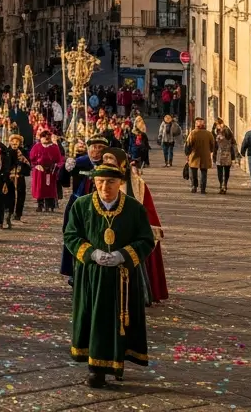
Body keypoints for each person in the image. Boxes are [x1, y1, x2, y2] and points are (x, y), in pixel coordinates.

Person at [63, 163, 156, 388]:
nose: (105, 186)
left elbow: (146, 240)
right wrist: (91, 253)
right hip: (91, 276)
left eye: (111, 182)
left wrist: (123, 255)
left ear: (120, 183)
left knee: (121, 321)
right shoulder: (82, 205)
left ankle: (118, 362)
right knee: (94, 319)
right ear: (94, 182)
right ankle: (95, 369)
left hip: (122, 278)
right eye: (101, 182)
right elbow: (71, 235)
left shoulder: (134, 208)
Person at [102, 149, 169, 305]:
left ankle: (138, 293)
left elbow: (147, 206)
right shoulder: (100, 180)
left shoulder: (136, 183)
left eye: (111, 159)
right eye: (105, 159)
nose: (108, 162)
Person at [59, 136, 108, 281]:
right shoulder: (80, 162)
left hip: (101, 206)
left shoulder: (109, 164)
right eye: (94, 147)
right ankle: (74, 270)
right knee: (73, 235)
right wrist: (65, 168)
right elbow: (63, 181)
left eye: (101, 148)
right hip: (78, 203)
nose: (97, 151)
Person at [29, 130, 62, 212]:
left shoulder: (54, 147)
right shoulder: (37, 147)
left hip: (51, 170)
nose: (46, 138)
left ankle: (50, 205)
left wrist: (55, 166)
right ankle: (40, 205)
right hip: (40, 171)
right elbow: (32, 158)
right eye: (44, 137)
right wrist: (36, 165)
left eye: (47, 137)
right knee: (40, 188)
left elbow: (59, 159)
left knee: (50, 188)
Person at [185, 118, 215, 195]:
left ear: (196, 125)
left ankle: (194, 186)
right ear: (203, 125)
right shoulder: (209, 134)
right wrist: (210, 151)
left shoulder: (193, 133)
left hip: (194, 155)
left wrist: (187, 154)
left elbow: (188, 145)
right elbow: (212, 145)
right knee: (204, 173)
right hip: (205, 156)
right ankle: (203, 188)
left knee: (193, 172)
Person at [213, 124, 237, 194]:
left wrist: (213, 156)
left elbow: (215, 147)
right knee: (227, 171)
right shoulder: (230, 137)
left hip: (219, 156)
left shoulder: (218, 137)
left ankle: (221, 185)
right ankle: (225, 184)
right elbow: (234, 145)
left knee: (220, 172)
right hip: (228, 155)